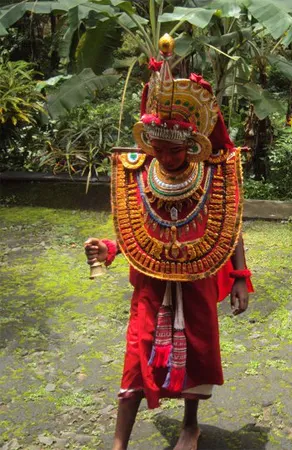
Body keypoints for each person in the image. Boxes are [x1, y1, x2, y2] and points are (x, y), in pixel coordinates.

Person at [84, 34, 253, 450]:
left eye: (175, 151)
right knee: (136, 354)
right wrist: (109, 248)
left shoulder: (212, 174)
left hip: (197, 276)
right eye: (157, 148)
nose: (166, 157)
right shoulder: (139, 172)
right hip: (150, 282)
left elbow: (229, 226)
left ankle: (190, 425)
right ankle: (119, 443)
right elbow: (136, 223)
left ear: (191, 145)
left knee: (196, 349)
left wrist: (239, 276)